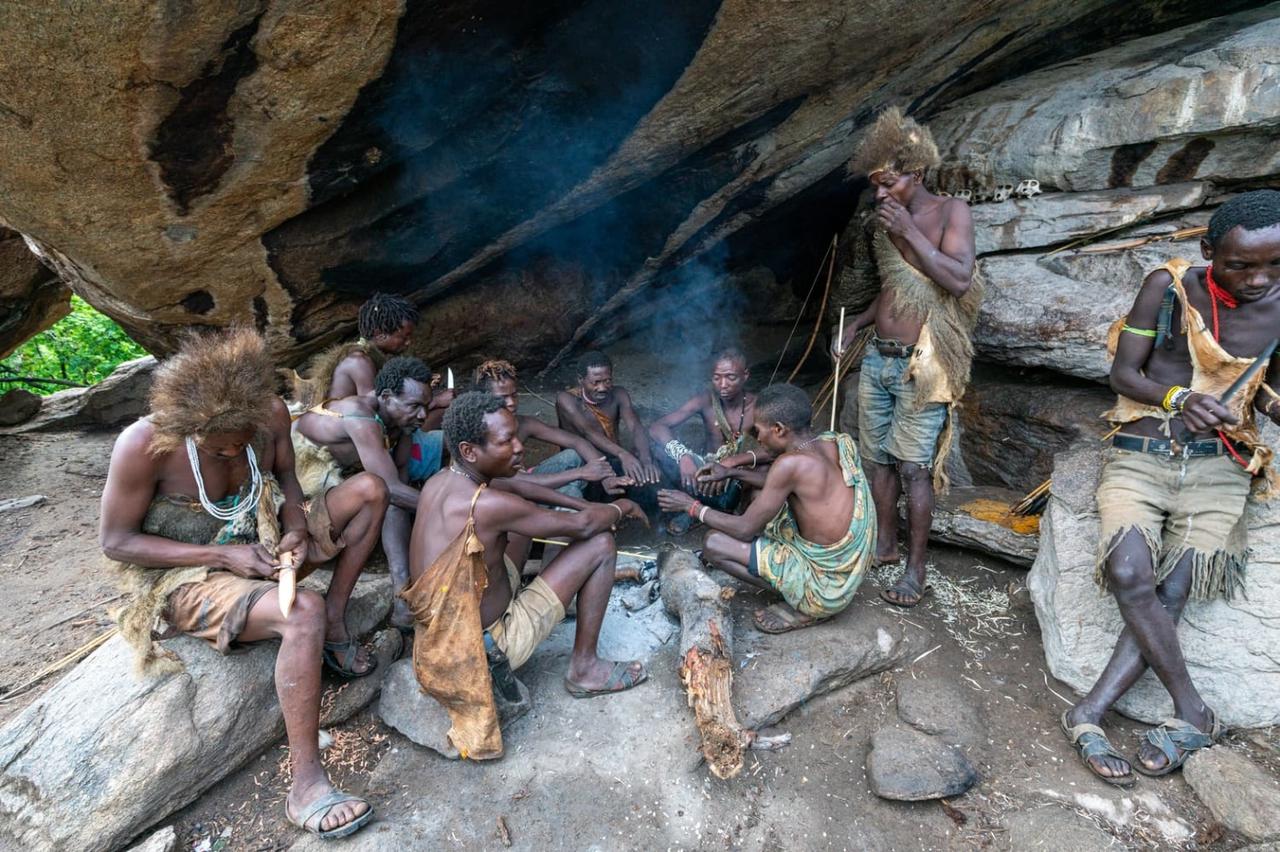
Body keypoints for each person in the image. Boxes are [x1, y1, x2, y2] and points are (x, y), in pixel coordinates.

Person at [100, 329, 387, 840]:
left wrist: (295, 528)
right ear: (189, 427)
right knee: (301, 611)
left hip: (265, 546)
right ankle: (306, 786)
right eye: (219, 448)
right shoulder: (144, 444)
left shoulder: (270, 414)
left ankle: (337, 619)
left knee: (369, 490)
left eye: (242, 440)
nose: (234, 450)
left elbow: (289, 481)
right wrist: (220, 554)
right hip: (188, 577)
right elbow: (117, 542)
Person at [1060, 190, 1280, 787]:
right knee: (1129, 573)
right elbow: (1123, 374)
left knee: (1174, 589)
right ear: (1209, 251)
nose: (1259, 280)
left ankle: (1089, 711)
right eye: (1241, 265)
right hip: (1142, 450)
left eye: (1274, 265)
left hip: (1221, 464)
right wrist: (1180, 398)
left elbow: (1269, 393)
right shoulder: (1168, 288)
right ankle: (1193, 710)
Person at [406, 392, 649, 705]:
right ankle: (585, 669)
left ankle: (535, 596)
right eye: (506, 441)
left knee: (519, 526)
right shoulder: (488, 506)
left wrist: (582, 504)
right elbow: (584, 526)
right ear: (469, 451)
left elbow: (522, 486)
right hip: (484, 650)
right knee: (601, 544)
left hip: (437, 640)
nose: (519, 446)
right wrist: (622, 507)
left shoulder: (440, 481)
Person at [833, 107, 981, 608]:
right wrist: (857, 323)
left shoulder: (952, 212)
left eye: (889, 184)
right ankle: (885, 545)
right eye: (875, 186)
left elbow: (957, 279)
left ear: (916, 174)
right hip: (879, 357)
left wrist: (909, 231)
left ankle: (916, 571)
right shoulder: (883, 224)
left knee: (914, 469)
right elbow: (896, 288)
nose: (880, 195)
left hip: (925, 364)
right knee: (877, 461)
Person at [657, 384, 876, 634]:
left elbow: (744, 528)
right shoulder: (832, 441)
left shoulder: (789, 464)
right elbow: (783, 483)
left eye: (758, 431)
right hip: (845, 572)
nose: (758, 439)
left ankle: (805, 605)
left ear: (779, 429)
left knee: (713, 544)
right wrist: (731, 472)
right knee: (760, 496)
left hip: (823, 589)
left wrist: (691, 507)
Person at [292, 356, 435, 632]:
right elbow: (392, 489)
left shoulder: (400, 424)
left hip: (342, 481)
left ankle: (402, 596)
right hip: (304, 483)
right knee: (379, 491)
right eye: (414, 406)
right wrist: (451, 509)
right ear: (386, 397)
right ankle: (336, 614)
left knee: (387, 497)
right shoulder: (359, 416)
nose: (422, 416)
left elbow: (397, 488)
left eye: (426, 407)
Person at [473, 358, 621, 498]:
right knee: (570, 491)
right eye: (502, 398)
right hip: (504, 499)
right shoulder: (478, 434)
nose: (511, 402)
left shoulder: (523, 423)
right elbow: (516, 482)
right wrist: (580, 473)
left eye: (514, 395)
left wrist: (607, 477)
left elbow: (576, 442)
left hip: (526, 481)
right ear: (483, 399)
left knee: (573, 456)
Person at [648, 347, 757, 534]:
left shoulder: (758, 406)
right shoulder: (706, 400)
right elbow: (657, 427)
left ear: (745, 375)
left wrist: (731, 465)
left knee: (763, 470)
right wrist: (683, 456)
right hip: (705, 473)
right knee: (659, 450)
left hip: (738, 477)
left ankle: (720, 512)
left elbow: (773, 450)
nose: (723, 384)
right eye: (716, 378)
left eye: (731, 377)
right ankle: (697, 506)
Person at [555, 351, 660, 487]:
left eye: (607, 381)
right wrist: (623, 454)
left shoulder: (619, 394)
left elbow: (635, 426)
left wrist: (646, 459)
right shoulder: (567, 400)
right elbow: (588, 432)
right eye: (596, 382)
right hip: (582, 465)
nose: (602, 388)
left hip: (613, 457)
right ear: (581, 380)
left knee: (649, 478)